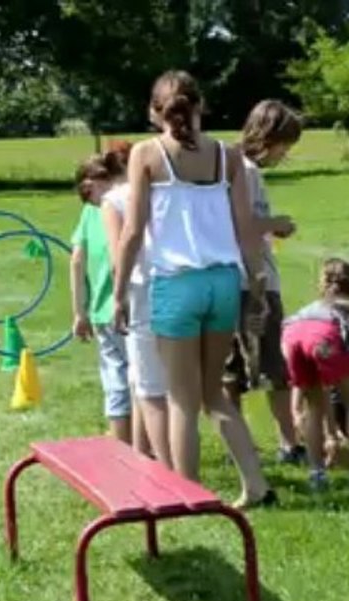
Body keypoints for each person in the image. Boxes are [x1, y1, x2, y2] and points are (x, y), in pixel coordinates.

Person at [111, 70, 273, 509]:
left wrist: (119, 292)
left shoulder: (146, 153)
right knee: (213, 392)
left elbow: (131, 232)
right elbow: (245, 231)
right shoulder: (229, 156)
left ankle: (188, 496)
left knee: (181, 400)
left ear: (154, 112)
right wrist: (257, 287)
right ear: (200, 106)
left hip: (176, 285)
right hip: (224, 282)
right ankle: (255, 484)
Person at [222, 99, 305, 465]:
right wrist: (277, 223)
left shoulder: (224, 165)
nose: (284, 155)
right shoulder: (247, 171)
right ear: (271, 138)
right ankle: (289, 443)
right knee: (272, 366)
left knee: (230, 368)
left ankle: (237, 445)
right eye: (285, 146)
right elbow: (244, 225)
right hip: (254, 280)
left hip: (225, 279)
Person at [282, 259, 349, 491]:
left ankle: (317, 476)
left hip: (292, 334)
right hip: (325, 335)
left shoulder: (312, 306)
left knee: (314, 407)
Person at [98, 144, 170, 461]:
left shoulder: (113, 200)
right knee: (152, 381)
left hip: (142, 288)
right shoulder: (161, 190)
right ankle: (142, 453)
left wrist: (118, 296)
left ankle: (169, 468)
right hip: (176, 281)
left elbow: (118, 256)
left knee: (148, 386)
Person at [70, 144, 141, 447]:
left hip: (106, 310)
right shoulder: (128, 204)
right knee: (139, 378)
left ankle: (123, 447)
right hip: (134, 304)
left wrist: (79, 312)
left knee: (117, 379)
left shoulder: (95, 211)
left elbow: (76, 261)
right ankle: (141, 447)